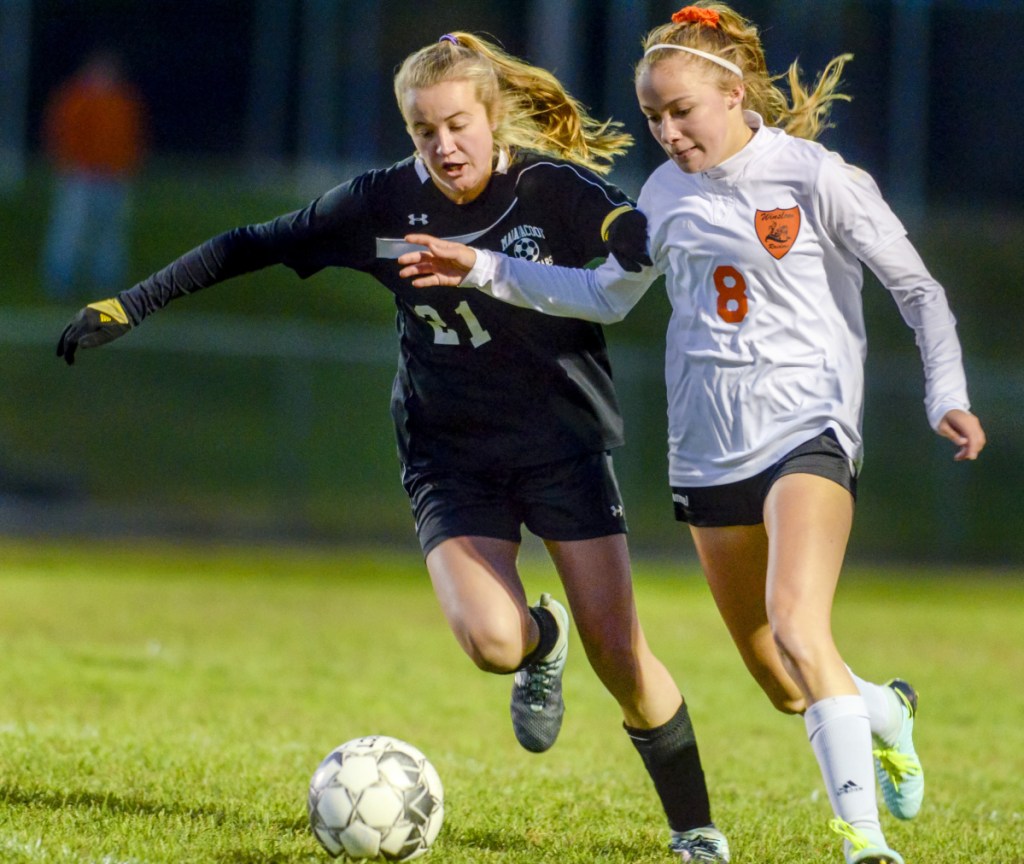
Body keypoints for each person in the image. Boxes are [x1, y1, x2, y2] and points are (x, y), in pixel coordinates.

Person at [57, 32, 730, 862]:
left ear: (494, 119)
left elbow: (618, 219)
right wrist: (130, 304)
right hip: (448, 451)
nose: (444, 146)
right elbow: (252, 244)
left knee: (622, 656)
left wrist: (633, 235)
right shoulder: (380, 204)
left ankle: (695, 831)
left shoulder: (546, 187)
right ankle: (538, 643)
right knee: (492, 644)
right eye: (423, 130)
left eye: (458, 125)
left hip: (562, 444)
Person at [395, 6, 987, 864]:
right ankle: (886, 711)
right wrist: (481, 267)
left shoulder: (816, 177)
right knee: (786, 683)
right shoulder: (665, 197)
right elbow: (605, 294)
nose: (668, 133)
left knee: (796, 622)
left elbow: (919, 290)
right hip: (708, 452)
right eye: (653, 118)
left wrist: (947, 394)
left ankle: (862, 844)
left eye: (682, 112)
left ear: (733, 93)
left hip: (809, 430)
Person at [41, 48, 148, 301]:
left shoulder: (123, 101)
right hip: (80, 176)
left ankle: (107, 282)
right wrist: (69, 163)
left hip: (113, 178)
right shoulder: (76, 98)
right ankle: (60, 279)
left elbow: (133, 137)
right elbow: (61, 133)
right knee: (70, 229)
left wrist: (127, 166)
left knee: (110, 232)